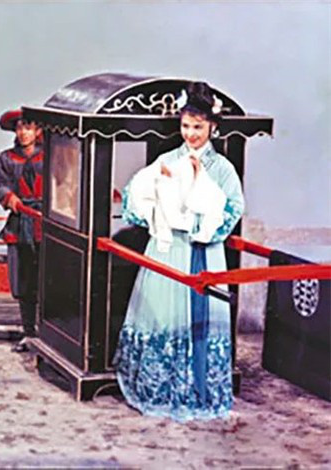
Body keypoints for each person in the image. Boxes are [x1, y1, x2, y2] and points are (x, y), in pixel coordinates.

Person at [114, 82, 244, 421]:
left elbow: (233, 208)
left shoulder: (222, 168)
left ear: (212, 126)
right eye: (186, 126)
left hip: (203, 251)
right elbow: (134, 197)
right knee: (164, 314)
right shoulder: (167, 160)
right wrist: (157, 213)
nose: (191, 134)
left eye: (198, 127)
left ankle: (201, 393)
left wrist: (201, 226)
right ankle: (159, 390)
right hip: (168, 249)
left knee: (199, 319)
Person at [0, 109, 43, 353]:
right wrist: (10, 197)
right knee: (23, 281)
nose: (23, 133)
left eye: (28, 128)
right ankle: (29, 332)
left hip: (46, 224)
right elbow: (0, 187)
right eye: (20, 128)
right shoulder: (6, 158)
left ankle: (48, 334)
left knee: (47, 279)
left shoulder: (50, 155)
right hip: (19, 223)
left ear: (38, 130)